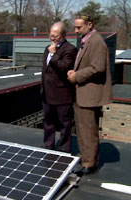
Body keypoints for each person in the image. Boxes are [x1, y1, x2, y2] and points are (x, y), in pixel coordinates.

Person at [67, 15, 113, 174]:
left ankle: (90, 164)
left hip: (90, 95)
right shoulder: (88, 40)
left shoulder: (96, 41)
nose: (76, 30)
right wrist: (75, 71)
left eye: (79, 27)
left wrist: (77, 76)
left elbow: (97, 67)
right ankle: (87, 156)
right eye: (75, 27)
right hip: (83, 94)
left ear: (90, 25)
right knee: (82, 128)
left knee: (88, 130)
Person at [41, 22, 77, 153]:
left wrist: (54, 54)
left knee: (65, 125)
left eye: (55, 36)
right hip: (47, 93)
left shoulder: (70, 49)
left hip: (62, 95)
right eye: (50, 35)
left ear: (63, 35)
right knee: (48, 122)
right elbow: (46, 71)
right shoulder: (47, 48)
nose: (52, 38)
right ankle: (48, 146)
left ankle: (64, 150)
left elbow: (64, 68)